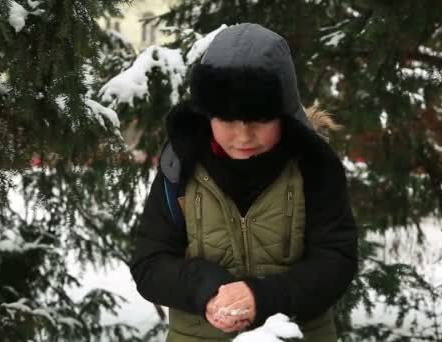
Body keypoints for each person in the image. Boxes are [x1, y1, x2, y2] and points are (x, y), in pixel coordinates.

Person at [129, 23, 358, 341]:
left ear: (284, 111)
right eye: (226, 119)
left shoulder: (313, 165)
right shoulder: (179, 166)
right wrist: (205, 287)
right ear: (207, 113)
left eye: (260, 119)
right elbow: (150, 264)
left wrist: (265, 296)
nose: (243, 136)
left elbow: (336, 260)